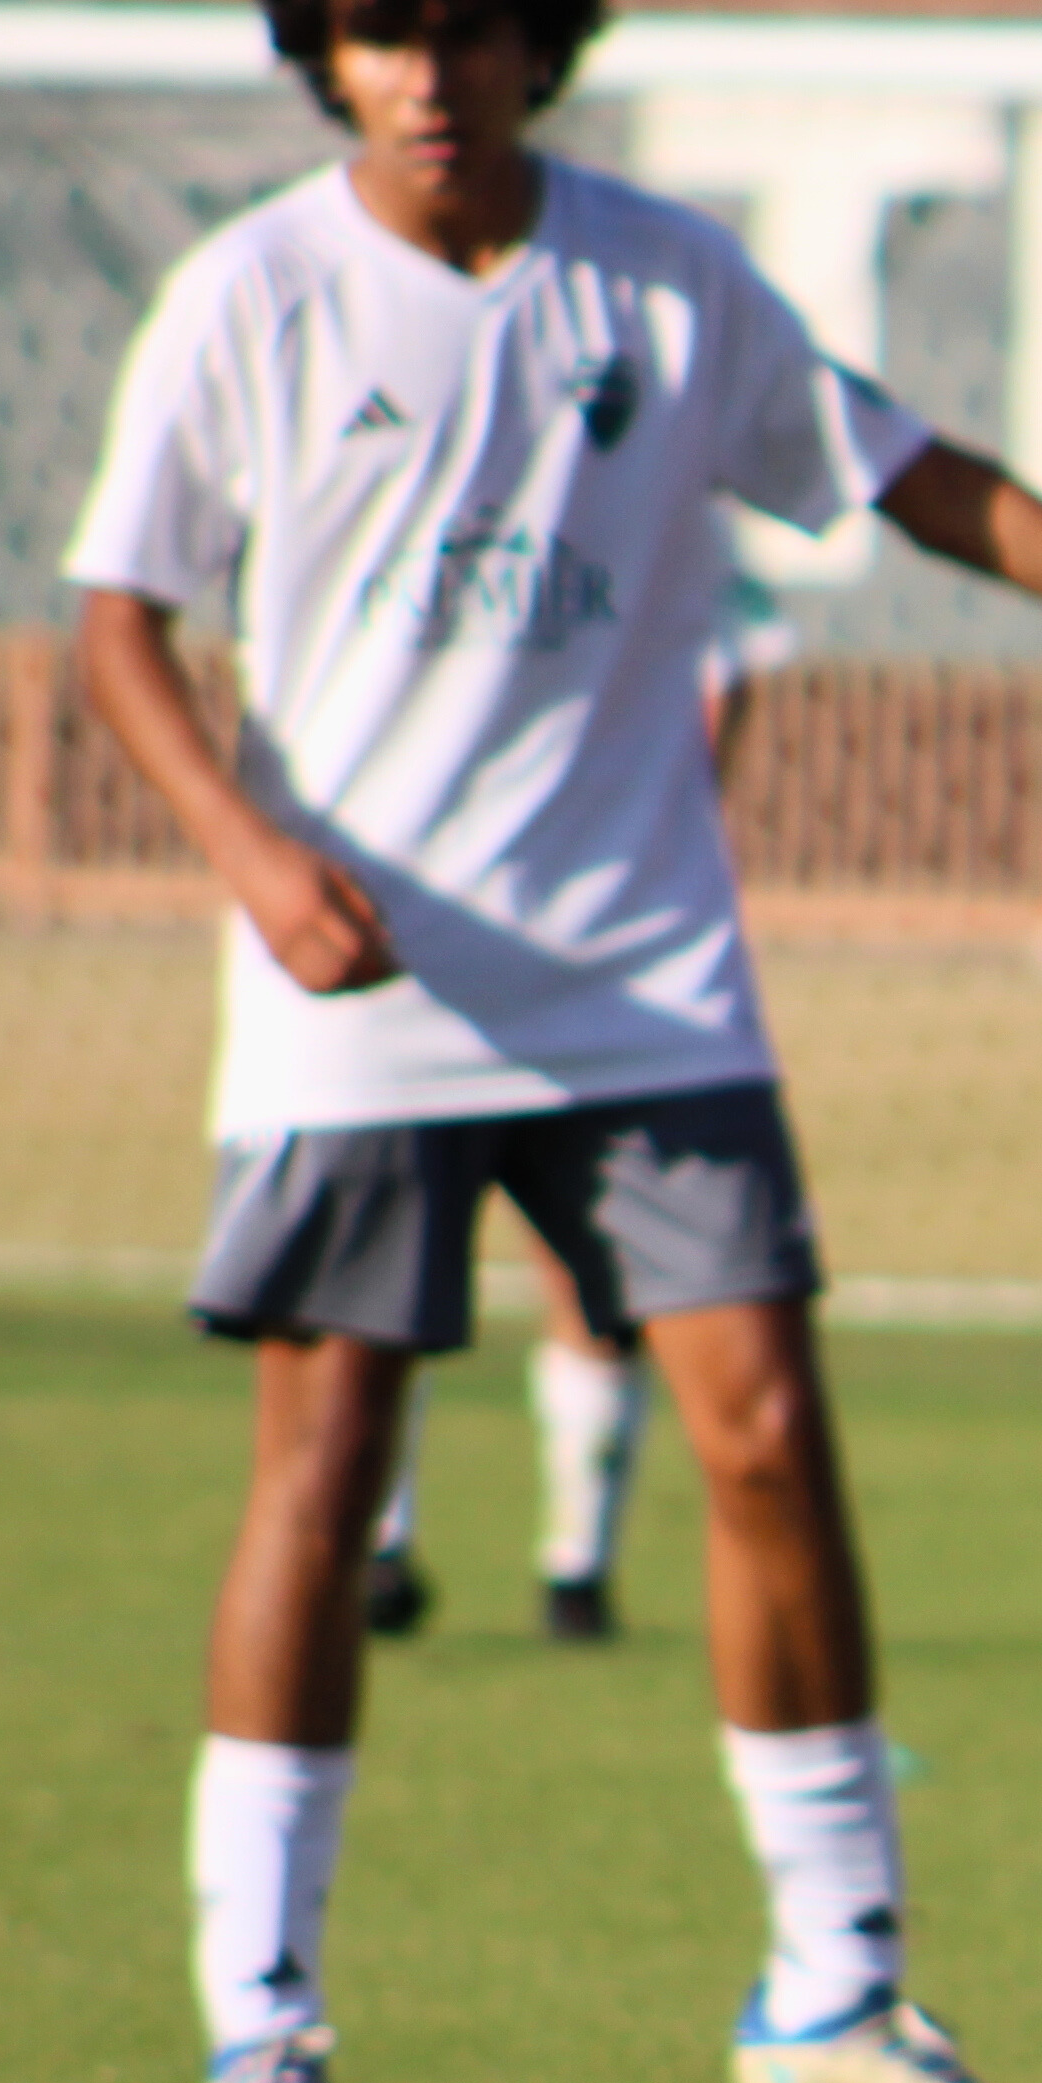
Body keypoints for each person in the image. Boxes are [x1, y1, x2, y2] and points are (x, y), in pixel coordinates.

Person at [76, 0, 1042, 2083]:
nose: (427, 75)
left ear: (546, 38)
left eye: (469, 27)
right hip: (361, 985)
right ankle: (265, 2020)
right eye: (378, 33)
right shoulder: (254, 298)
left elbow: (936, 486)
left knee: (762, 1437)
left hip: (648, 984)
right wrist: (253, 858)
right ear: (322, 56)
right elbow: (118, 619)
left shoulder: (666, 285)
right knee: (324, 1475)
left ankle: (836, 1997)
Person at [360, 561, 789, 1651]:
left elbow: (723, 683)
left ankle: (575, 1565)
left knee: (589, 1264)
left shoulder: (654, 469)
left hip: (602, 954)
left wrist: (649, 843)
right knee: (395, 1266)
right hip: (426, 941)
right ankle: (387, 1546)